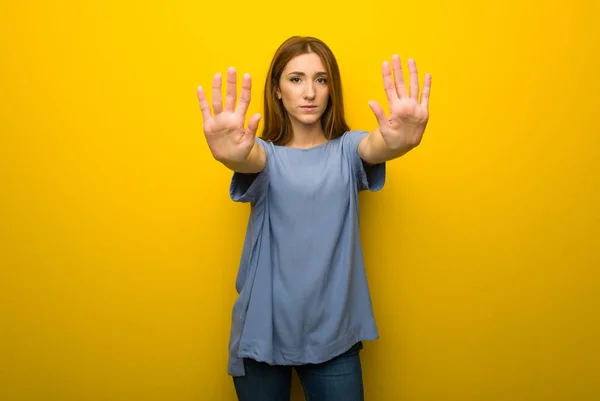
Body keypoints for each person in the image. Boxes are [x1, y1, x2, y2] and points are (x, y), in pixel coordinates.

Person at [196, 36, 431, 401]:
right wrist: (230, 155)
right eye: (296, 79)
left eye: (321, 80)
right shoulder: (265, 156)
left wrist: (401, 142)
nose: (309, 92)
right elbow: (248, 159)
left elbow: (377, 146)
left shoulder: (348, 149)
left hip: (333, 334)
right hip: (263, 330)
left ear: (331, 89)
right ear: (276, 90)